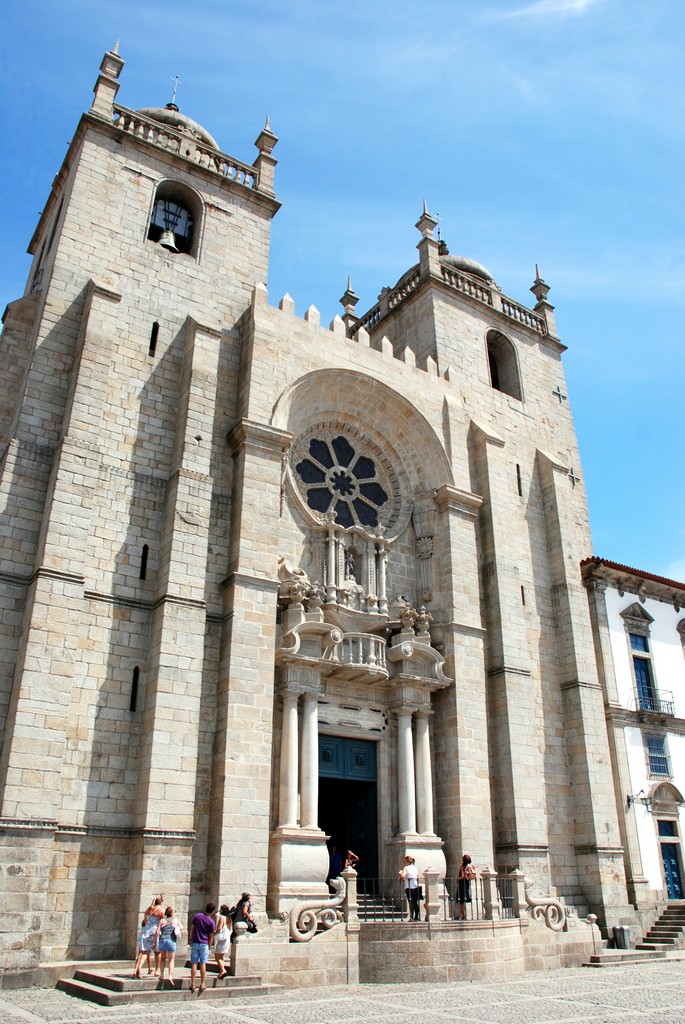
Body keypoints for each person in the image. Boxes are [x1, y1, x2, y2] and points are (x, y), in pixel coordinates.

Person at [133, 894, 164, 978]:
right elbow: (162, 922)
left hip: (146, 931)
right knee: (157, 952)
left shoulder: (148, 910)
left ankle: (139, 967)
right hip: (155, 932)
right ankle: (157, 971)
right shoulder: (161, 910)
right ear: (161, 902)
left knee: (145, 951)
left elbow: (146, 921)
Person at [189, 901, 216, 993]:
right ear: (212, 911)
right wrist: (209, 946)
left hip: (195, 942)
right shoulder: (211, 922)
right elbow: (211, 936)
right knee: (203, 963)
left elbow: (192, 928)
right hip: (204, 943)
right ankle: (202, 983)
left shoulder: (197, 916)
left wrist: (191, 938)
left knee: (194, 963)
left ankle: (192, 983)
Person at [154, 905, 182, 986]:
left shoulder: (162, 920)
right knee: (171, 960)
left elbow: (157, 931)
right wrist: (176, 928)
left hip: (162, 940)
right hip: (171, 940)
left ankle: (162, 974)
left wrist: (154, 942)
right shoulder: (175, 920)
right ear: (172, 913)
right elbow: (182, 927)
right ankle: (170, 976)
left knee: (163, 958)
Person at [399, 855, 421, 921]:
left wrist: (400, 873)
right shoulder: (415, 868)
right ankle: (417, 916)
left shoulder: (406, 868)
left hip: (409, 887)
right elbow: (417, 876)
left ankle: (411, 917)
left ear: (407, 862)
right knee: (415, 902)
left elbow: (403, 876)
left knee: (410, 902)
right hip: (416, 886)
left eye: (404, 862)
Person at [213, 903, 231, 979]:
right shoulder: (229, 918)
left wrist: (214, 932)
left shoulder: (222, 918)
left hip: (222, 939)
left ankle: (223, 970)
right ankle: (221, 971)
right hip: (227, 939)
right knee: (221, 956)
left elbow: (219, 928)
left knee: (217, 956)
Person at [457, 854, 476, 920]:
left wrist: (457, 879)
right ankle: (464, 914)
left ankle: (463, 915)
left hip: (462, 883)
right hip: (467, 883)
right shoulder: (470, 866)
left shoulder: (462, 866)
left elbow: (462, 876)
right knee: (464, 899)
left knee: (461, 900)